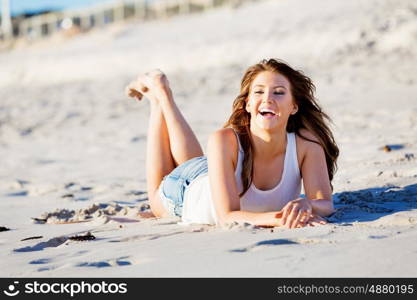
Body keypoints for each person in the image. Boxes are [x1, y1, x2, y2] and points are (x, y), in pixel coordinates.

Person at [125, 58, 339, 229]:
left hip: (211, 175)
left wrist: (307, 204)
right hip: (185, 192)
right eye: (259, 91)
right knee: (155, 197)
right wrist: (281, 219)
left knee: (196, 164)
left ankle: (162, 94)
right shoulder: (223, 140)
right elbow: (227, 216)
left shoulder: (307, 146)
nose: (268, 99)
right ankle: (158, 97)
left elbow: (324, 204)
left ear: (294, 106)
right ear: (247, 104)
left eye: (279, 92)